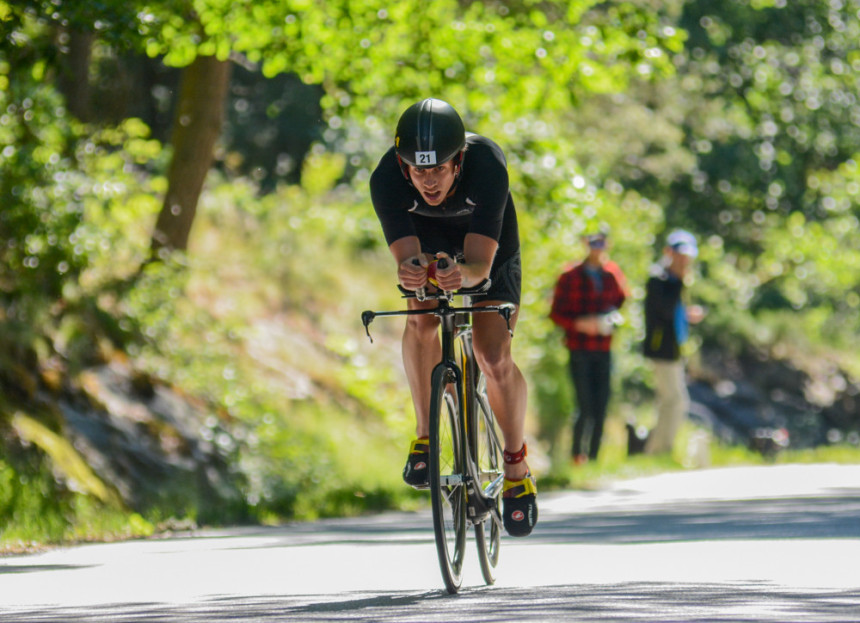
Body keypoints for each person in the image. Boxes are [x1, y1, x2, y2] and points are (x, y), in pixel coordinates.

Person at [369, 98, 537, 537]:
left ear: (458, 161)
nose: (427, 180)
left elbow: (481, 266)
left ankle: (516, 467)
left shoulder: (486, 167)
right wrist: (410, 271)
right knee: (419, 316)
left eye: (438, 169)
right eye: (418, 170)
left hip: (487, 247)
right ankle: (426, 435)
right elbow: (406, 259)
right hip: (428, 241)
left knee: (492, 354)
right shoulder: (386, 179)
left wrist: (465, 275)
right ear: (404, 166)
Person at [549, 230, 628, 465]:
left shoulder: (612, 274)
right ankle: (577, 455)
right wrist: (578, 324)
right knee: (583, 405)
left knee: (601, 405)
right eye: (593, 243)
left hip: (604, 348)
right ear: (585, 244)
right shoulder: (569, 275)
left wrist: (610, 321)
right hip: (579, 347)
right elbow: (555, 313)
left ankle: (594, 459)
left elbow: (621, 303)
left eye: (601, 243)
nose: (597, 248)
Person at [642, 229, 704, 455]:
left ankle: (659, 449)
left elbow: (674, 312)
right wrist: (679, 281)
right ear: (669, 252)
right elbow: (664, 310)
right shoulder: (660, 279)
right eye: (679, 255)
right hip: (661, 350)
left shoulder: (676, 280)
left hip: (674, 348)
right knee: (675, 401)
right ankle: (658, 450)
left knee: (670, 400)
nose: (683, 260)